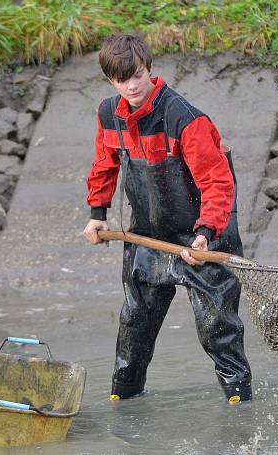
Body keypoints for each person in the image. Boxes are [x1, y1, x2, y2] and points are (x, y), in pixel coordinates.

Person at [82, 33, 252, 404]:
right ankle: (123, 399)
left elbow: (217, 182)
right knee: (134, 328)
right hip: (148, 237)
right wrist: (98, 214)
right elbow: (104, 165)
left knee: (217, 331)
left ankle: (240, 404)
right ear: (110, 80)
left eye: (138, 75)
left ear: (149, 69)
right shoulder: (108, 113)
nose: (132, 86)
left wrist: (206, 232)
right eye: (122, 79)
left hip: (203, 239)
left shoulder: (184, 118)